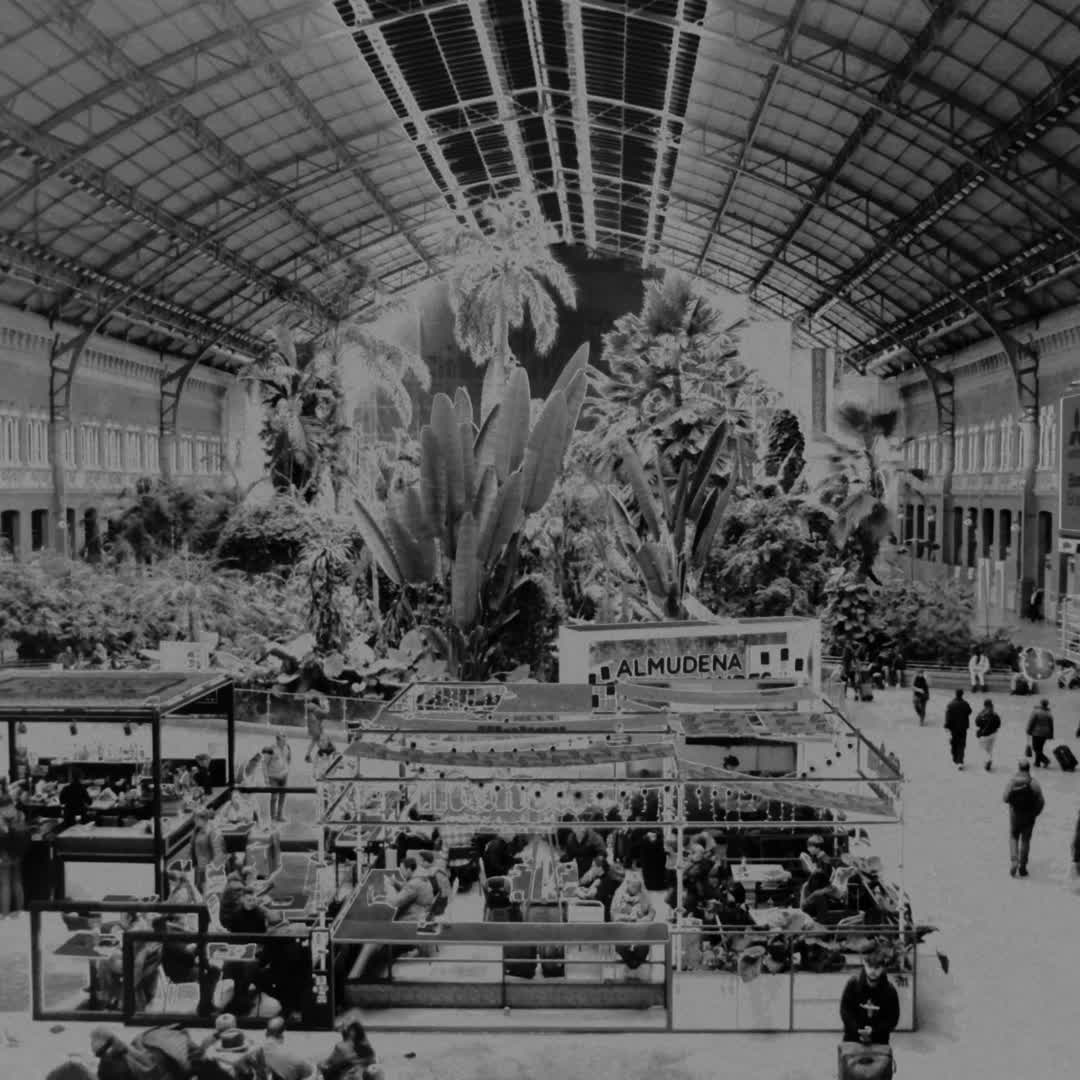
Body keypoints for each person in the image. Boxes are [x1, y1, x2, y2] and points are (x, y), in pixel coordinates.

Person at [348, 856, 433, 979]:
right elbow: (408, 889)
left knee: (371, 945)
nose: (400, 872)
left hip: (409, 929)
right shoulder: (422, 880)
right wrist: (396, 883)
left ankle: (358, 978)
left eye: (402, 869)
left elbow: (394, 902)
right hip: (419, 923)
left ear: (409, 870)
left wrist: (389, 886)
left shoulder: (414, 884)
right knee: (372, 941)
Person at [840, 944, 901, 1045]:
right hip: (852, 1038)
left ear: (883, 968)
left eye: (877, 968)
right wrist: (857, 1029)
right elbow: (845, 1011)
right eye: (870, 966)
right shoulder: (852, 985)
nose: (873, 971)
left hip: (879, 1039)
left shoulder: (890, 991)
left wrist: (874, 1030)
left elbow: (892, 1019)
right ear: (864, 963)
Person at [1003, 758, 1045, 878]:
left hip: (1015, 816)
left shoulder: (1012, 782)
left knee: (1013, 837)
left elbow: (1005, 798)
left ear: (1019, 768)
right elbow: (1041, 802)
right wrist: (1035, 813)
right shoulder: (1033, 783)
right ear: (1028, 769)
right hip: (1029, 817)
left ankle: (1014, 860)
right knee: (1025, 840)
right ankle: (1023, 867)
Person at [610, 870, 655, 974]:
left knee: (643, 949)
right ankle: (632, 962)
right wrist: (627, 918)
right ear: (627, 884)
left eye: (637, 886)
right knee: (621, 947)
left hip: (641, 933)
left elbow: (652, 913)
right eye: (632, 886)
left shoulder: (645, 895)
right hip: (623, 933)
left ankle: (634, 962)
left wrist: (645, 919)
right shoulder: (619, 895)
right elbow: (614, 915)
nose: (635, 888)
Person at [244, 1016, 312, 1080]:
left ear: (266, 1032)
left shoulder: (249, 1051)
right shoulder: (295, 1057)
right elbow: (308, 1073)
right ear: (283, 1033)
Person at [318, 1016, 376, 1080]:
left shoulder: (360, 1045)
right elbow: (332, 1060)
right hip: (348, 1068)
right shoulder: (344, 1045)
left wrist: (356, 1063)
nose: (350, 1032)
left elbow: (370, 1059)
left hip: (353, 1070)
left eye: (352, 1030)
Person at [0, 798, 30, 917]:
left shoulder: (1, 816)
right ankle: (20, 911)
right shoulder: (20, 815)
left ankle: (5, 914)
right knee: (17, 882)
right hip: (18, 854)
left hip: (4, 854)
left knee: (5, 884)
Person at [191, 807, 225, 891]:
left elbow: (218, 853)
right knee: (199, 889)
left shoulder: (213, 832)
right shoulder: (197, 830)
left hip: (208, 869)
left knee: (207, 892)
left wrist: (211, 870)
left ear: (202, 819)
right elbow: (193, 846)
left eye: (195, 818)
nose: (194, 821)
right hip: (200, 867)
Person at [261, 735, 292, 823]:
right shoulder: (270, 749)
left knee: (282, 797)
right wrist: (266, 779)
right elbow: (264, 763)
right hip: (273, 777)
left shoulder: (287, 747)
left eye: (285, 740)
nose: (284, 742)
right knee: (274, 797)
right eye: (282, 740)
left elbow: (289, 759)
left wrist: (286, 770)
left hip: (284, 776)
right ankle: (273, 817)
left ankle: (280, 815)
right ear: (277, 740)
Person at [944, 689, 972, 770]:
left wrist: (946, 726)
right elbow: (969, 711)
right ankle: (960, 761)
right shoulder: (965, 704)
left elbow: (947, 716)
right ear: (962, 695)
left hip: (953, 729)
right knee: (961, 744)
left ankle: (955, 757)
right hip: (963, 728)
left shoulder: (951, 704)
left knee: (954, 743)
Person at [975, 698, 1002, 772]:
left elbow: (977, 722)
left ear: (984, 705)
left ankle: (988, 761)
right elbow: (999, 724)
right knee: (989, 749)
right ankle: (988, 762)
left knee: (983, 749)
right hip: (993, 735)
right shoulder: (995, 714)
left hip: (984, 735)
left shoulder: (983, 714)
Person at [1026, 698, 1054, 768]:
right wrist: (1051, 734)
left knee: (1035, 748)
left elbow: (1031, 722)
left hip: (1036, 733)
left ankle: (1045, 760)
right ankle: (1037, 763)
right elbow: (1051, 725)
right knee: (1040, 748)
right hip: (1045, 733)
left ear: (1041, 704)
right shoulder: (1049, 713)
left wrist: (1028, 730)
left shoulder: (1036, 712)